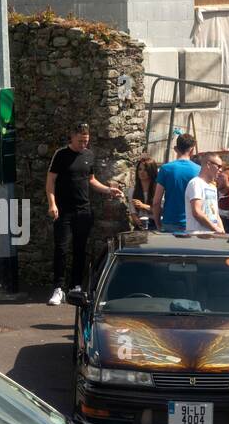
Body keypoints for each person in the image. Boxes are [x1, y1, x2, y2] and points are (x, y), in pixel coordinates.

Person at [45, 122, 123, 306]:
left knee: (80, 249)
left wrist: (108, 190)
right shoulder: (61, 155)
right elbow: (50, 181)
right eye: (80, 141)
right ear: (72, 137)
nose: (83, 144)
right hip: (63, 210)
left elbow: (91, 180)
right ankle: (58, 288)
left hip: (83, 209)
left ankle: (76, 286)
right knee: (61, 249)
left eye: (86, 141)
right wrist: (52, 204)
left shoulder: (88, 155)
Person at [150, 133, 201, 232]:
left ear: (175, 148)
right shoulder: (199, 171)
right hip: (193, 223)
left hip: (170, 223)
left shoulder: (165, 169)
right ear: (192, 150)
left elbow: (156, 202)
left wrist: (158, 224)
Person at [185, 152, 225, 233]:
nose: (221, 170)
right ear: (208, 164)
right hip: (197, 238)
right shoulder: (196, 183)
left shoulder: (213, 187)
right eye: (219, 166)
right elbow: (197, 212)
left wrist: (222, 231)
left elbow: (215, 214)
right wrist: (215, 229)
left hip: (211, 238)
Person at [131, 155, 159, 230]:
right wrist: (137, 221)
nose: (142, 172)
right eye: (140, 169)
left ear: (151, 171)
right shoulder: (132, 190)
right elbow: (133, 212)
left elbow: (161, 211)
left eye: (145, 170)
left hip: (155, 224)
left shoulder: (158, 189)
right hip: (140, 225)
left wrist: (143, 206)